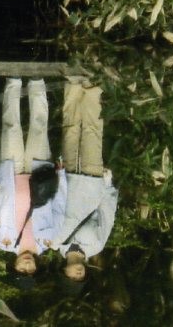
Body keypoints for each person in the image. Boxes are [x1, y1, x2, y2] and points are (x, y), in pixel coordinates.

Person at [0, 77, 67, 281]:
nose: (27, 266)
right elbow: (60, 206)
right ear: (37, 267)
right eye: (31, 271)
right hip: (40, 172)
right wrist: (61, 176)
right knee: (39, 126)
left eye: (22, 271)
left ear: (14, 266)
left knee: (10, 127)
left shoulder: (0, 241)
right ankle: (37, 83)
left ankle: (13, 83)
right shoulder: (50, 240)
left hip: (10, 174)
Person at [54, 78, 118, 292]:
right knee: (93, 131)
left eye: (73, 278)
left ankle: (73, 83)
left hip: (68, 177)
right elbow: (107, 213)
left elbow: (52, 206)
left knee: (70, 129)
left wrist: (57, 177)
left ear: (64, 272)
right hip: (92, 180)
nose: (78, 275)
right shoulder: (97, 245)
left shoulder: (53, 241)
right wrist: (108, 185)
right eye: (81, 279)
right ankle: (93, 85)